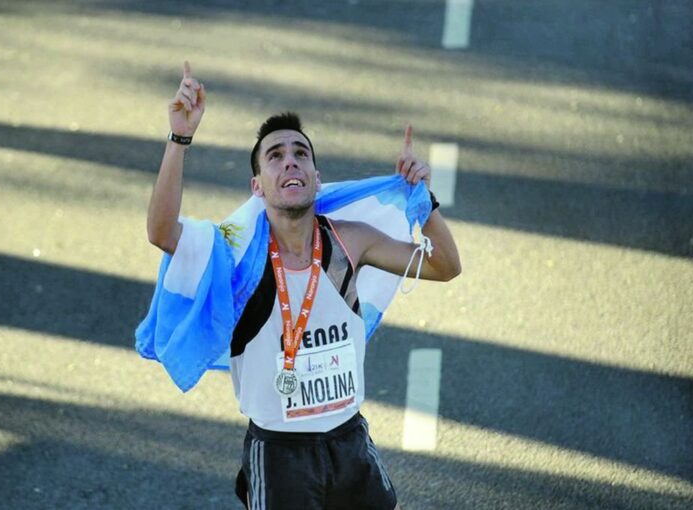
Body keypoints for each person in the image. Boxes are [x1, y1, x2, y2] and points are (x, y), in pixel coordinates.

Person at [145, 62, 461, 510]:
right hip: (279, 453)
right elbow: (161, 232)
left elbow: (445, 266)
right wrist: (180, 137)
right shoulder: (233, 253)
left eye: (301, 154)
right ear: (257, 186)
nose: (290, 160)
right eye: (275, 156)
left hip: (350, 444)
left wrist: (422, 198)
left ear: (315, 177)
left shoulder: (350, 240)